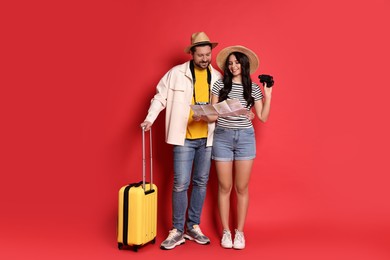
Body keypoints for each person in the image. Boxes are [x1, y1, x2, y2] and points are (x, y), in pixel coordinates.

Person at [140, 32, 222, 250]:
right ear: (192, 54)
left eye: (208, 55)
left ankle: (193, 226)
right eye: (201, 55)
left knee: (201, 183)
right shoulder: (175, 73)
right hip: (183, 137)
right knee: (180, 183)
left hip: (207, 138)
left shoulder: (217, 77)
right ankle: (177, 230)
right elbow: (160, 97)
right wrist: (149, 119)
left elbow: (222, 106)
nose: (205, 59)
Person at [210, 45, 273, 249]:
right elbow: (212, 114)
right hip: (222, 138)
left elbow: (262, 117)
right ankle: (226, 232)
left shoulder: (253, 88)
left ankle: (240, 233)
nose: (233, 66)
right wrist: (208, 112)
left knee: (241, 187)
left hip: (245, 138)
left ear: (244, 64)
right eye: (230, 63)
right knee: (224, 187)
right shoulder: (219, 85)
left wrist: (268, 94)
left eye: (237, 62)